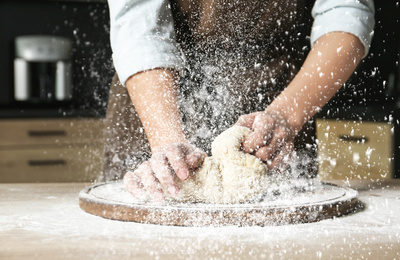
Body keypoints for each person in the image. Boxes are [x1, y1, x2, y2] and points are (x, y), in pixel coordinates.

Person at [104, 0, 375, 201]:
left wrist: (285, 115)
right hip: (155, 96)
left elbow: (346, 12)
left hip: (277, 104)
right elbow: (139, 26)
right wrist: (166, 141)